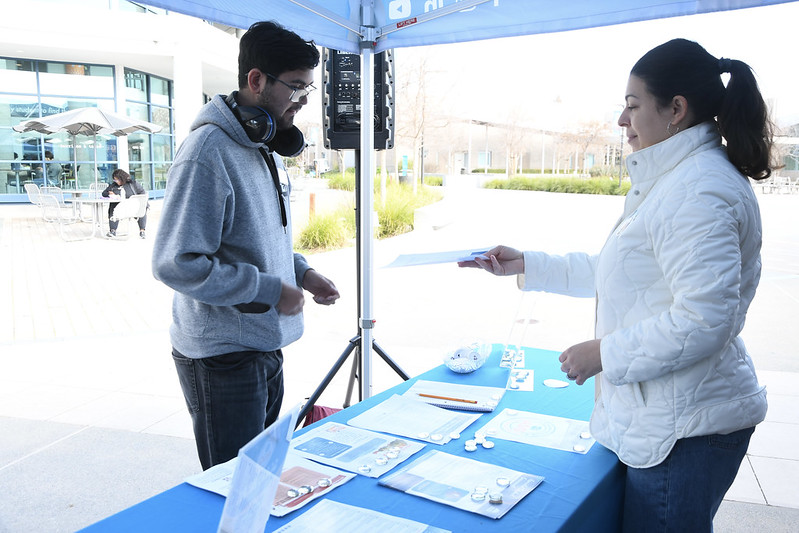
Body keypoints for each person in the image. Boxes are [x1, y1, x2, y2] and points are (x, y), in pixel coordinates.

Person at [460, 38, 770, 532]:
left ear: (676, 109)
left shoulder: (701, 190)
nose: (621, 121)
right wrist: (529, 264)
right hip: (667, 415)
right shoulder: (676, 179)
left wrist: (606, 352)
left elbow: (704, 319)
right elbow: (621, 272)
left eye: (632, 105)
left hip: (687, 427)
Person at [151, 20, 340, 470]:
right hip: (223, 358)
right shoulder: (208, 153)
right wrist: (269, 290)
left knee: (259, 479)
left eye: (307, 91)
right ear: (256, 81)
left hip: (261, 345)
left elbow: (257, 239)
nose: (302, 102)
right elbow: (175, 263)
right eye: (295, 89)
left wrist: (301, 273)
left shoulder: (259, 144)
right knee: (235, 487)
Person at [102, 168, 147, 238]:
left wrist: (137, 200)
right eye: (115, 179)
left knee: (142, 208)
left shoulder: (133, 184)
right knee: (113, 206)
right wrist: (109, 193)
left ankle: (142, 230)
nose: (116, 181)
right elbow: (104, 193)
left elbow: (143, 193)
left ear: (122, 178)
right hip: (120, 208)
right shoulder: (114, 185)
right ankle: (113, 230)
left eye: (117, 179)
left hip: (133, 207)